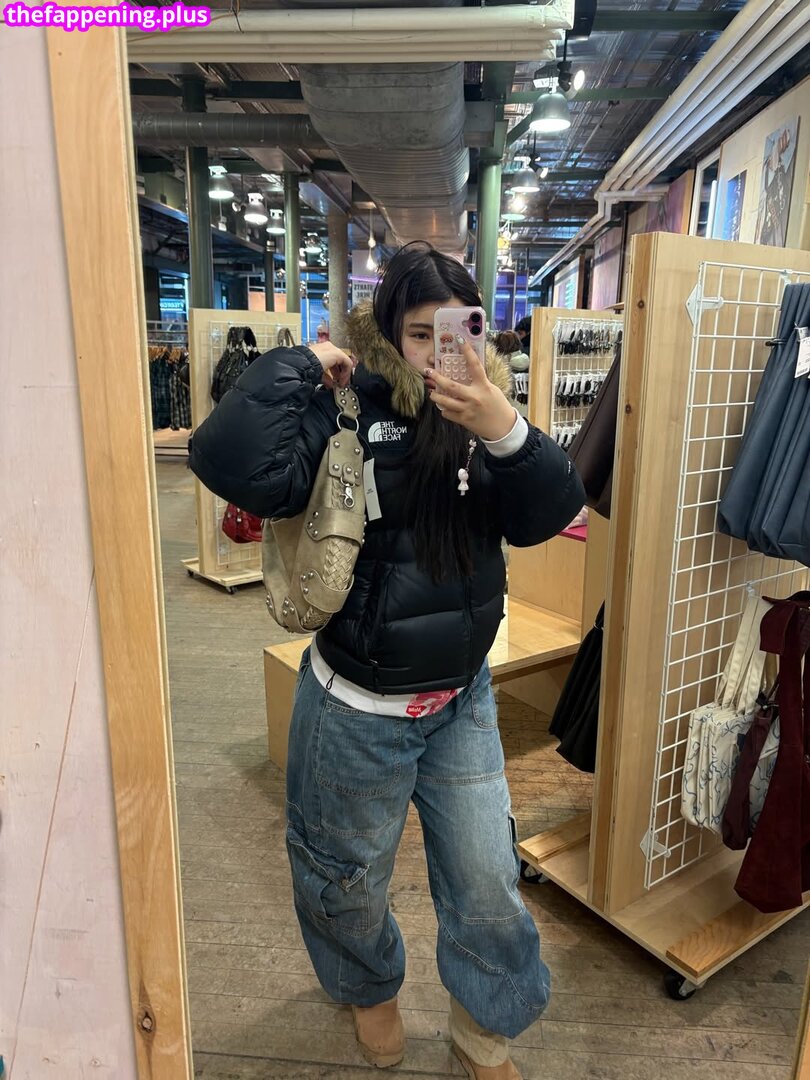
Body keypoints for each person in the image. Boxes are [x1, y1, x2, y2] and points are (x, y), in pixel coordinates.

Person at [189, 243, 584, 1080]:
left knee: (487, 884)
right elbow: (227, 460)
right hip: (355, 708)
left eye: (461, 329)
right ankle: (369, 991)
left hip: (461, 702)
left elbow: (548, 513)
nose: (443, 351)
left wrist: (503, 429)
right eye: (420, 333)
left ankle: (485, 1031)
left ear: (482, 328)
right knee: (345, 878)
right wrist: (304, 364)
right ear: (387, 333)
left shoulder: (489, 414)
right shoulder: (349, 408)